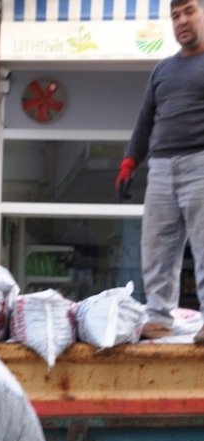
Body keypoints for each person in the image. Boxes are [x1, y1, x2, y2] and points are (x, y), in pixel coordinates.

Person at [114, 0, 204, 339]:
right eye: (175, 15)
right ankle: (158, 319)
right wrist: (128, 162)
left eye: (190, 11)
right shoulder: (162, 70)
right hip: (161, 168)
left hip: (201, 162)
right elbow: (144, 122)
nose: (182, 20)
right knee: (157, 247)